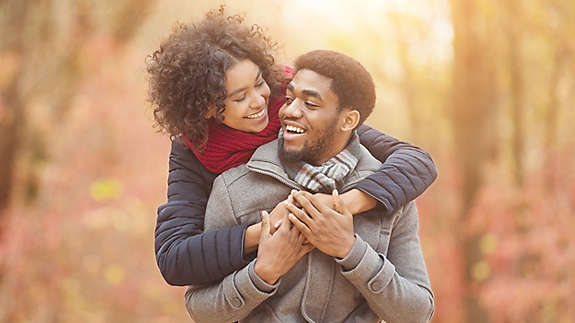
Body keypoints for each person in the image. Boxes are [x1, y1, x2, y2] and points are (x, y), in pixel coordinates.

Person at [147, 7, 437, 287]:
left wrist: (341, 206)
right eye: (240, 98)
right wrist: (264, 232)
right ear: (208, 108)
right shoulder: (193, 148)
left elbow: (416, 162)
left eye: (259, 83)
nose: (259, 101)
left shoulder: (297, 111)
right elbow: (174, 258)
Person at [185, 50, 434, 323]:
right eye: (290, 99)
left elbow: (418, 313)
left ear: (349, 120)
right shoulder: (234, 188)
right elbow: (200, 309)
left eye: (310, 105)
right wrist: (261, 274)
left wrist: (350, 251)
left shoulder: (388, 195)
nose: (289, 111)